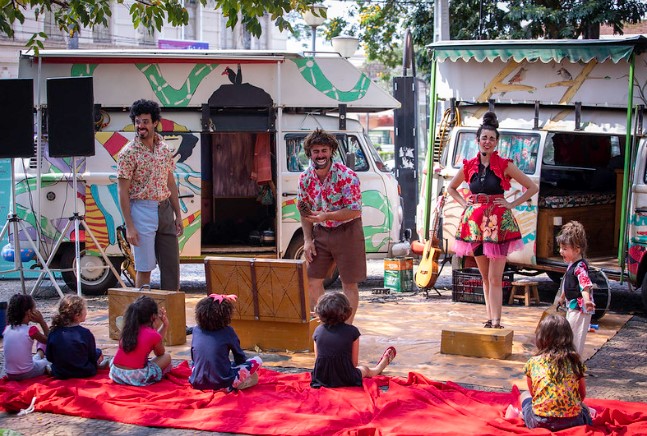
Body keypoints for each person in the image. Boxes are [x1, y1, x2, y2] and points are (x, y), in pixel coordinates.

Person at [447, 111, 538, 329]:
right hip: (474, 227)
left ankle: (497, 321)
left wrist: (511, 204)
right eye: (484, 138)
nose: (487, 142)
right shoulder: (469, 166)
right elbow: (451, 188)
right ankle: (490, 319)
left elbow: (532, 187)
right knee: (485, 278)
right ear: (477, 141)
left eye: (492, 139)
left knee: (496, 278)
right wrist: (464, 204)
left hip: (498, 227)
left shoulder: (505, 164)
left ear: (497, 143)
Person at [297, 128, 365, 324]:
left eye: (324, 150)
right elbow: (304, 211)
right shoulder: (305, 179)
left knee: (349, 284)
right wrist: (308, 240)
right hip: (321, 232)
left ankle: (346, 329)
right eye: (316, 151)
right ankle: (326, 324)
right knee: (311, 281)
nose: (320, 155)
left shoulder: (347, 175)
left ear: (331, 152)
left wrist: (327, 215)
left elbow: (355, 210)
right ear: (309, 153)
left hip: (348, 231)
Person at [117, 99, 183, 291]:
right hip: (142, 209)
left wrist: (178, 215)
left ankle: (172, 319)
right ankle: (142, 318)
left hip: (165, 208)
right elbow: (122, 190)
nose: (140, 126)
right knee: (144, 268)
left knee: (171, 268)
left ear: (155, 123)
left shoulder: (164, 148)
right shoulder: (128, 153)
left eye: (145, 121)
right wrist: (129, 226)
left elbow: (170, 182)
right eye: (137, 121)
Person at [517, 314, 593, 431]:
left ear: (541, 338)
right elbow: (581, 395)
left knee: (524, 395)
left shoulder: (533, 362)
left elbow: (534, 394)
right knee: (584, 409)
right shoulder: (575, 363)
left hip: (540, 422)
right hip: (573, 422)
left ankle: (522, 415)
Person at [310, 292, 396, 388]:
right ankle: (379, 368)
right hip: (347, 378)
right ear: (347, 312)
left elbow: (317, 360)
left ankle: (378, 368)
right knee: (365, 369)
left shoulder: (318, 330)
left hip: (321, 378)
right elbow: (354, 363)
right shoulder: (352, 331)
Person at [189, 294, 262, 391]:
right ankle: (232, 385)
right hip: (223, 383)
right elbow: (240, 358)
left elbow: (194, 357)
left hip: (197, 382)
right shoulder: (228, 331)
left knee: (197, 362)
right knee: (257, 360)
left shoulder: (196, 330)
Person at [109, 295, 172, 386]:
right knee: (167, 357)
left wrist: (164, 326)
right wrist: (164, 325)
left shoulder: (128, 328)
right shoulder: (153, 334)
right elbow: (160, 353)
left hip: (116, 373)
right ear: (153, 317)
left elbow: (154, 339)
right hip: (134, 376)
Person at [556, 221, 595, 355]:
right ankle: (570, 361)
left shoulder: (579, 267)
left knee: (575, 337)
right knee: (569, 334)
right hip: (572, 306)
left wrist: (587, 300)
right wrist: (561, 298)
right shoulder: (572, 264)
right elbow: (567, 283)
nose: (561, 252)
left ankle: (574, 364)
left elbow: (585, 285)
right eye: (561, 248)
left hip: (580, 308)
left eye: (565, 249)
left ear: (577, 250)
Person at [46, 295, 106, 379]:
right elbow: (92, 356)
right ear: (77, 315)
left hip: (61, 373)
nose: (86, 311)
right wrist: (99, 353)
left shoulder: (54, 332)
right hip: (84, 372)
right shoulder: (85, 333)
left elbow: (49, 357)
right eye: (85, 309)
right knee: (98, 354)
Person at [2, 294, 50, 381]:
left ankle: (39, 354)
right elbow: (51, 341)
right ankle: (45, 365)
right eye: (34, 309)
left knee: (36, 358)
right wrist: (41, 321)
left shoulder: (7, 329)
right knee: (47, 361)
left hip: (10, 374)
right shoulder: (31, 330)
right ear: (28, 312)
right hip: (27, 373)